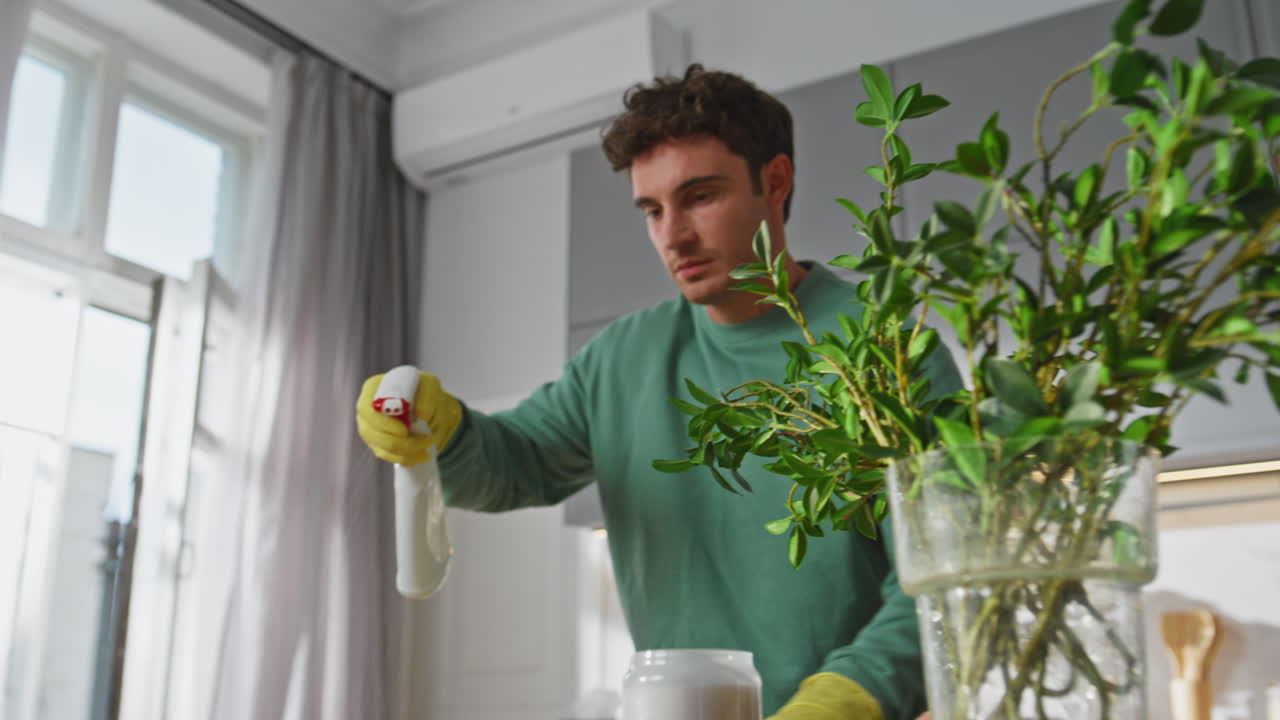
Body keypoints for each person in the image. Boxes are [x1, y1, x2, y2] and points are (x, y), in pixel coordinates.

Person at [356, 64, 961, 720]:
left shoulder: (890, 346)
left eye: (700, 197)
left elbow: (945, 570)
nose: (672, 236)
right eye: (652, 209)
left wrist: (851, 697)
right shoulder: (623, 357)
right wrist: (443, 432)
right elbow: (512, 465)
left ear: (775, 181)